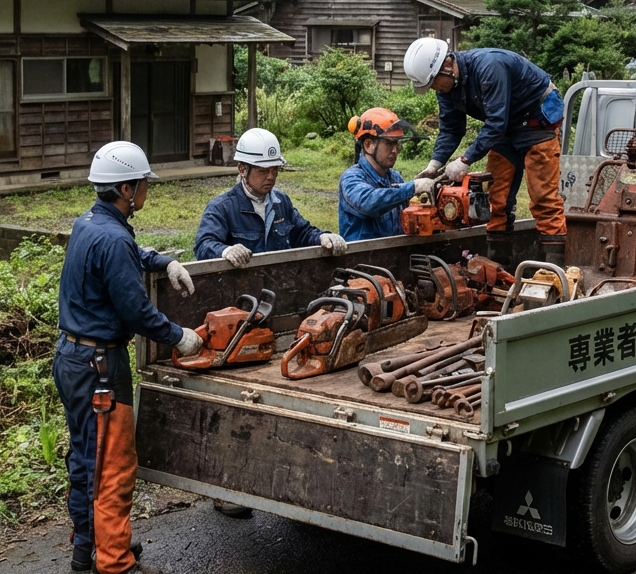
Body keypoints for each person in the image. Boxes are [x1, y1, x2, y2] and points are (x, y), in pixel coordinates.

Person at [53, 141, 204, 574]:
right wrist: (179, 337)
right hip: (99, 367)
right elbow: (136, 311)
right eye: (142, 186)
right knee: (113, 465)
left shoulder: (90, 223)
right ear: (125, 187)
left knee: (85, 459)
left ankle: (88, 551)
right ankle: (116, 562)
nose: (145, 192)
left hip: (72, 359)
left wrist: (162, 261)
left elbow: (124, 254)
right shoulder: (113, 235)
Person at [403, 38, 567, 267]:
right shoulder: (447, 88)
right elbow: (451, 128)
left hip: (536, 121)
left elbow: (496, 122)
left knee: (543, 197)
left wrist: (465, 159)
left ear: (448, 65)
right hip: (505, 127)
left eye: (435, 83)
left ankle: (555, 266)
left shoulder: (489, 66)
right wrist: (434, 164)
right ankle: (500, 267)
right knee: (495, 198)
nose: (435, 89)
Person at [193, 128, 347, 265]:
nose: (270, 177)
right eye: (263, 170)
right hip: (241, 291)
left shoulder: (281, 202)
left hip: (278, 286)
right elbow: (203, 245)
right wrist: (225, 251)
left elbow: (301, 233)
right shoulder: (222, 208)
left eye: (274, 170)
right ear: (242, 169)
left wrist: (323, 237)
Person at [338, 107, 436, 240]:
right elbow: (369, 203)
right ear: (368, 145)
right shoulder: (351, 178)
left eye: (397, 144)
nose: (395, 150)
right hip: (361, 257)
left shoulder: (395, 177)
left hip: (393, 254)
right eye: (389, 143)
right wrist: (413, 187)